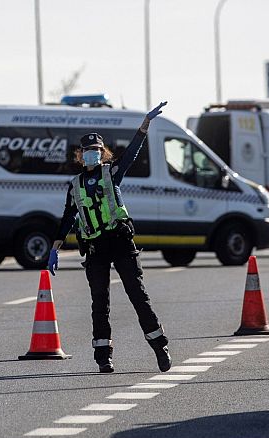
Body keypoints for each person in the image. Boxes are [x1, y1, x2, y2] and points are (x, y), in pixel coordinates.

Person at [47, 101, 171, 374]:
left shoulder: (111, 173)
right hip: (95, 248)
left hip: (120, 240)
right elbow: (67, 217)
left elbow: (132, 154)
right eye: (87, 151)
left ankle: (159, 346)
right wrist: (54, 249)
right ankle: (104, 356)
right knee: (99, 302)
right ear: (80, 155)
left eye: (96, 151)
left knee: (137, 294)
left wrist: (145, 124)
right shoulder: (75, 185)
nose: (92, 154)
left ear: (102, 153)